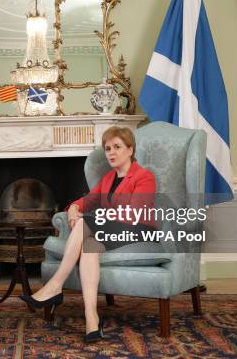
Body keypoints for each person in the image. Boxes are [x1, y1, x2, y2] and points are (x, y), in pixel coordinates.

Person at [19, 126, 157, 343]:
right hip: (112, 230)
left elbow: (135, 213)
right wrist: (74, 208)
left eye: (117, 147)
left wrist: (94, 217)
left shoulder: (144, 176)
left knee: (86, 224)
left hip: (138, 230)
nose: (111, 152)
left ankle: (55, 286)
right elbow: (88, 200)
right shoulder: (109, 178)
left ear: (130, 150)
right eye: (108, 148)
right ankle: (91, 317)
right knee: (88, 245)